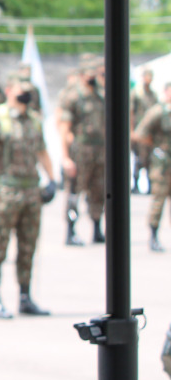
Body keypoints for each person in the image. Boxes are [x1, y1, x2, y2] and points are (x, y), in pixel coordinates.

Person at [0, 79, 57, 318]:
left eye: (29, 92)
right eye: (21, 91)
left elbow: (42, 151)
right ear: (9, 91)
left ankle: (25, 297)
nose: (25, 96)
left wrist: (52, 179)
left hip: (31, 193)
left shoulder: (35, 120)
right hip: (6, 194)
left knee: (28, 246)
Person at [59, 56, 105, 245]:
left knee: (99, 190)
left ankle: (97, 227)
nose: (92, 78)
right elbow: (64, 128)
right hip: (80, 150)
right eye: (89, 74)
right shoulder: (73, 96)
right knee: (75, 191)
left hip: (100, 151)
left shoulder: (102, 95)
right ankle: (71, 230)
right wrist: (65, 157)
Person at [134, 82, 171, 251]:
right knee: (159, 201)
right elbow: (140, 134)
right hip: (162, 166)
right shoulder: (157, 112)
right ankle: (153, 236)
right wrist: (155, 146)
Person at [131, 67, 158, 194]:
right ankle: (135, 184)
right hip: (139, 131)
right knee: (139, 159)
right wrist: (131, 131)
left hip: (149, 133)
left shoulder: (152, 95)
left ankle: (149, 184)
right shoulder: (137, 93)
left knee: (149, 159)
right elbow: (131, 112)